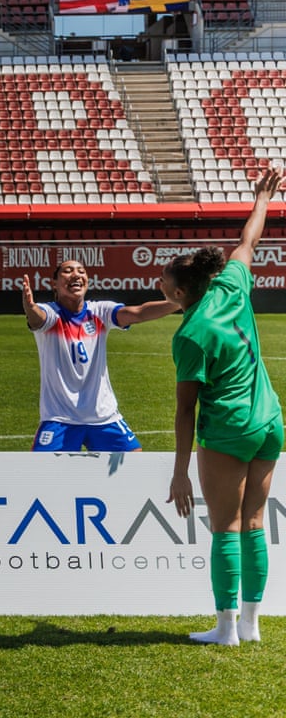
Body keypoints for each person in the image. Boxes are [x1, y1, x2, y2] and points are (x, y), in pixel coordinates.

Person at [165, 167, 284, 646]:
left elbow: (185, 411)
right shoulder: (231, 284)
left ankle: (226, 629)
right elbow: (248, 241)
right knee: (255, 524)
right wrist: (262, 200)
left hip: (230, 428)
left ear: (179, 294)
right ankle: (252, 625)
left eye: (163, 283)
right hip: (269, 421)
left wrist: (179, 472)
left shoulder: (190, 334)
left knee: (226, 528)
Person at [21, 260, 179, 452]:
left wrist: (180, 302)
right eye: (68, 271)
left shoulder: (99, 311)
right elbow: (37, 319)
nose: (76, 274)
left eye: (81, 271)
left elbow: (138, 313)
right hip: (60, 417)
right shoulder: (51, 313)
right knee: (41, 469)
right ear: (54, 283)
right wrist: (30, 307)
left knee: (136, 462)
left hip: (103, 416)